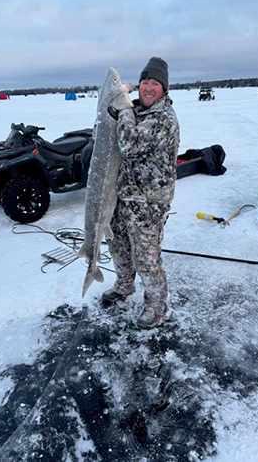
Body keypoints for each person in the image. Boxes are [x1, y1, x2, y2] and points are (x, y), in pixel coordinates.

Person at [103, 57, 180, 329]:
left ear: (164, 89)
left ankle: (157, 306)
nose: (149, 87)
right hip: (124, 195)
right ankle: (124, 286)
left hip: (148, 202)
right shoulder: (138, 112)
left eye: (155, 83)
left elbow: (130, 145)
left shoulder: (163, 119)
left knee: (146, 258)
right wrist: (118, 105)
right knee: (118, 245)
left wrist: (123, 107)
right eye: (145, 81)